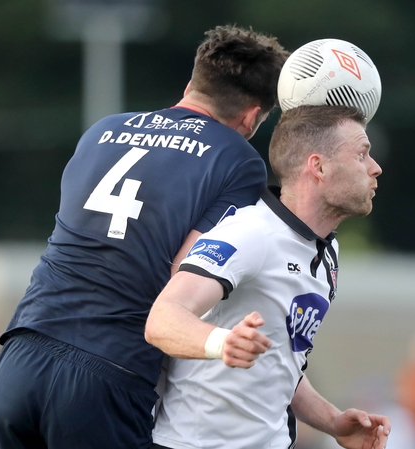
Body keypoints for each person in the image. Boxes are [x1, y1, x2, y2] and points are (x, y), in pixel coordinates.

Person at [0, 25, 289, 449]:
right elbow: (187, 270)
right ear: (251, 117)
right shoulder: (238, 158)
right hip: (106, 373)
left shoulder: (102, 130)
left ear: (191, 85)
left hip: (21, 353)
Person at [144, 105, 390, 449]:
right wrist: (222, 343)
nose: (375, 167)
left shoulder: (325, 253)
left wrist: (333, 421)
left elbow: (280, 365)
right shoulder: (249, 232)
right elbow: (162, 319)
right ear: (318, 166)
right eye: (362, 154)